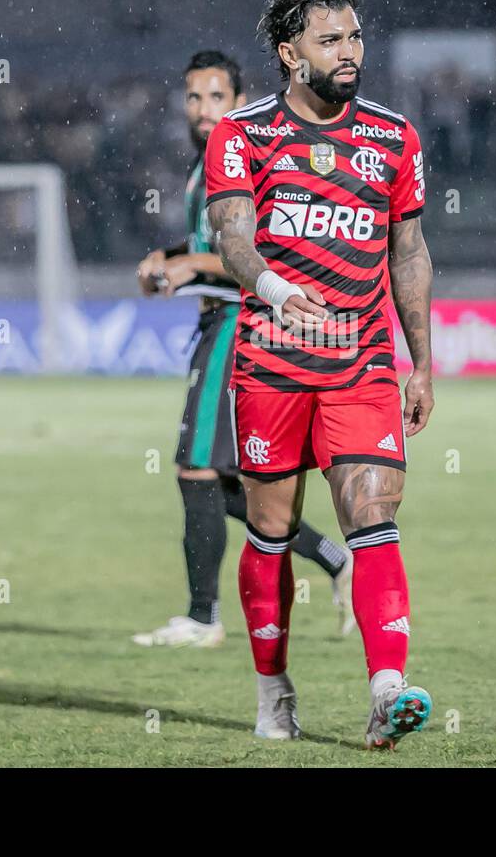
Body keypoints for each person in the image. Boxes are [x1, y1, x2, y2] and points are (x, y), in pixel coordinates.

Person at [204, 0, 436, 749]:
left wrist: (422, 363)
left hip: (361, 363)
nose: (350, 53)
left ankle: (387, 691)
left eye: (356, 37)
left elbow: (409, 253)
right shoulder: (240, 134)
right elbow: (232, 236)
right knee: (271, 531)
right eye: (331, 40)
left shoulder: (394, 138)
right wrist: (272, 288)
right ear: (289, 53)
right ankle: (272, 691)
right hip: (270, 365)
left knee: (373, 514)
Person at [132, 50, 353, 650]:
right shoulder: (207, 164)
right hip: (223, 326)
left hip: (238, 326)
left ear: (239, 98)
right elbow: (211, 244)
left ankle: (203, 619)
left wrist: (187, 266)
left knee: (195, 467)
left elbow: (258, 258)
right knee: (226, 483)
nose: (203, 111)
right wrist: (170, 257)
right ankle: (335, 559)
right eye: (193, 98)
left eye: (216, 98)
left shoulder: (243, 158)